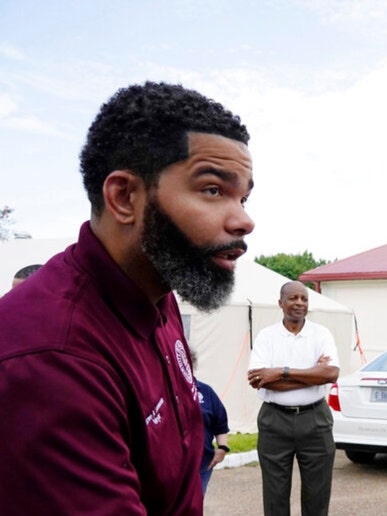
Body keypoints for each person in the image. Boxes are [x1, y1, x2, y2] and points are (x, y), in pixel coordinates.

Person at [0, 81, 254, 514]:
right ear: (123, 197)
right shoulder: (52, 356)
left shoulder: (159, 293)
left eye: (244, 197)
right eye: (213, 190)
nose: (244, 220)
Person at [247, 281, 340, 516]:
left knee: (317, 495)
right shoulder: (266, 337)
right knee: (275, 495)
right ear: (280, 303)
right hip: (274, 420)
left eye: (304, 299)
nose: (299, 303)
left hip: (315, 420)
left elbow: (330, 373)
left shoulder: (321, 334)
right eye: (293, 298)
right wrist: (312, 374)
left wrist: (281, 372)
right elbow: (258, 380)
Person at [193, 351, 231, 496]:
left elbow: (220, 421)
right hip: (172, 467)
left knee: (195, 505)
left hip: (203, 463)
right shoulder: (164, 390)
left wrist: (222, 448)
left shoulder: (205, 391)